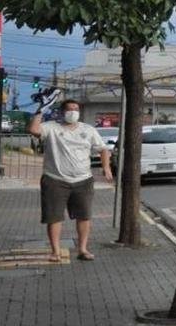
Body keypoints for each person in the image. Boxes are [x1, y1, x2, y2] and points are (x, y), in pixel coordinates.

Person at [29, 98, 113, 262]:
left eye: (76, 109)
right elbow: (33, 129)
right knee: (54, 217)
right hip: (55, 180)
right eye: (69, 109)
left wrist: (106, 167)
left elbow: (103, 149)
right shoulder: (52, 127)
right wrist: (40, 110)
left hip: (83, 180)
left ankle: (82, 249)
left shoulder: (88, 130)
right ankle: (55, 251)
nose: (73, 112)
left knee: (84, 216)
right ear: (62, 112)